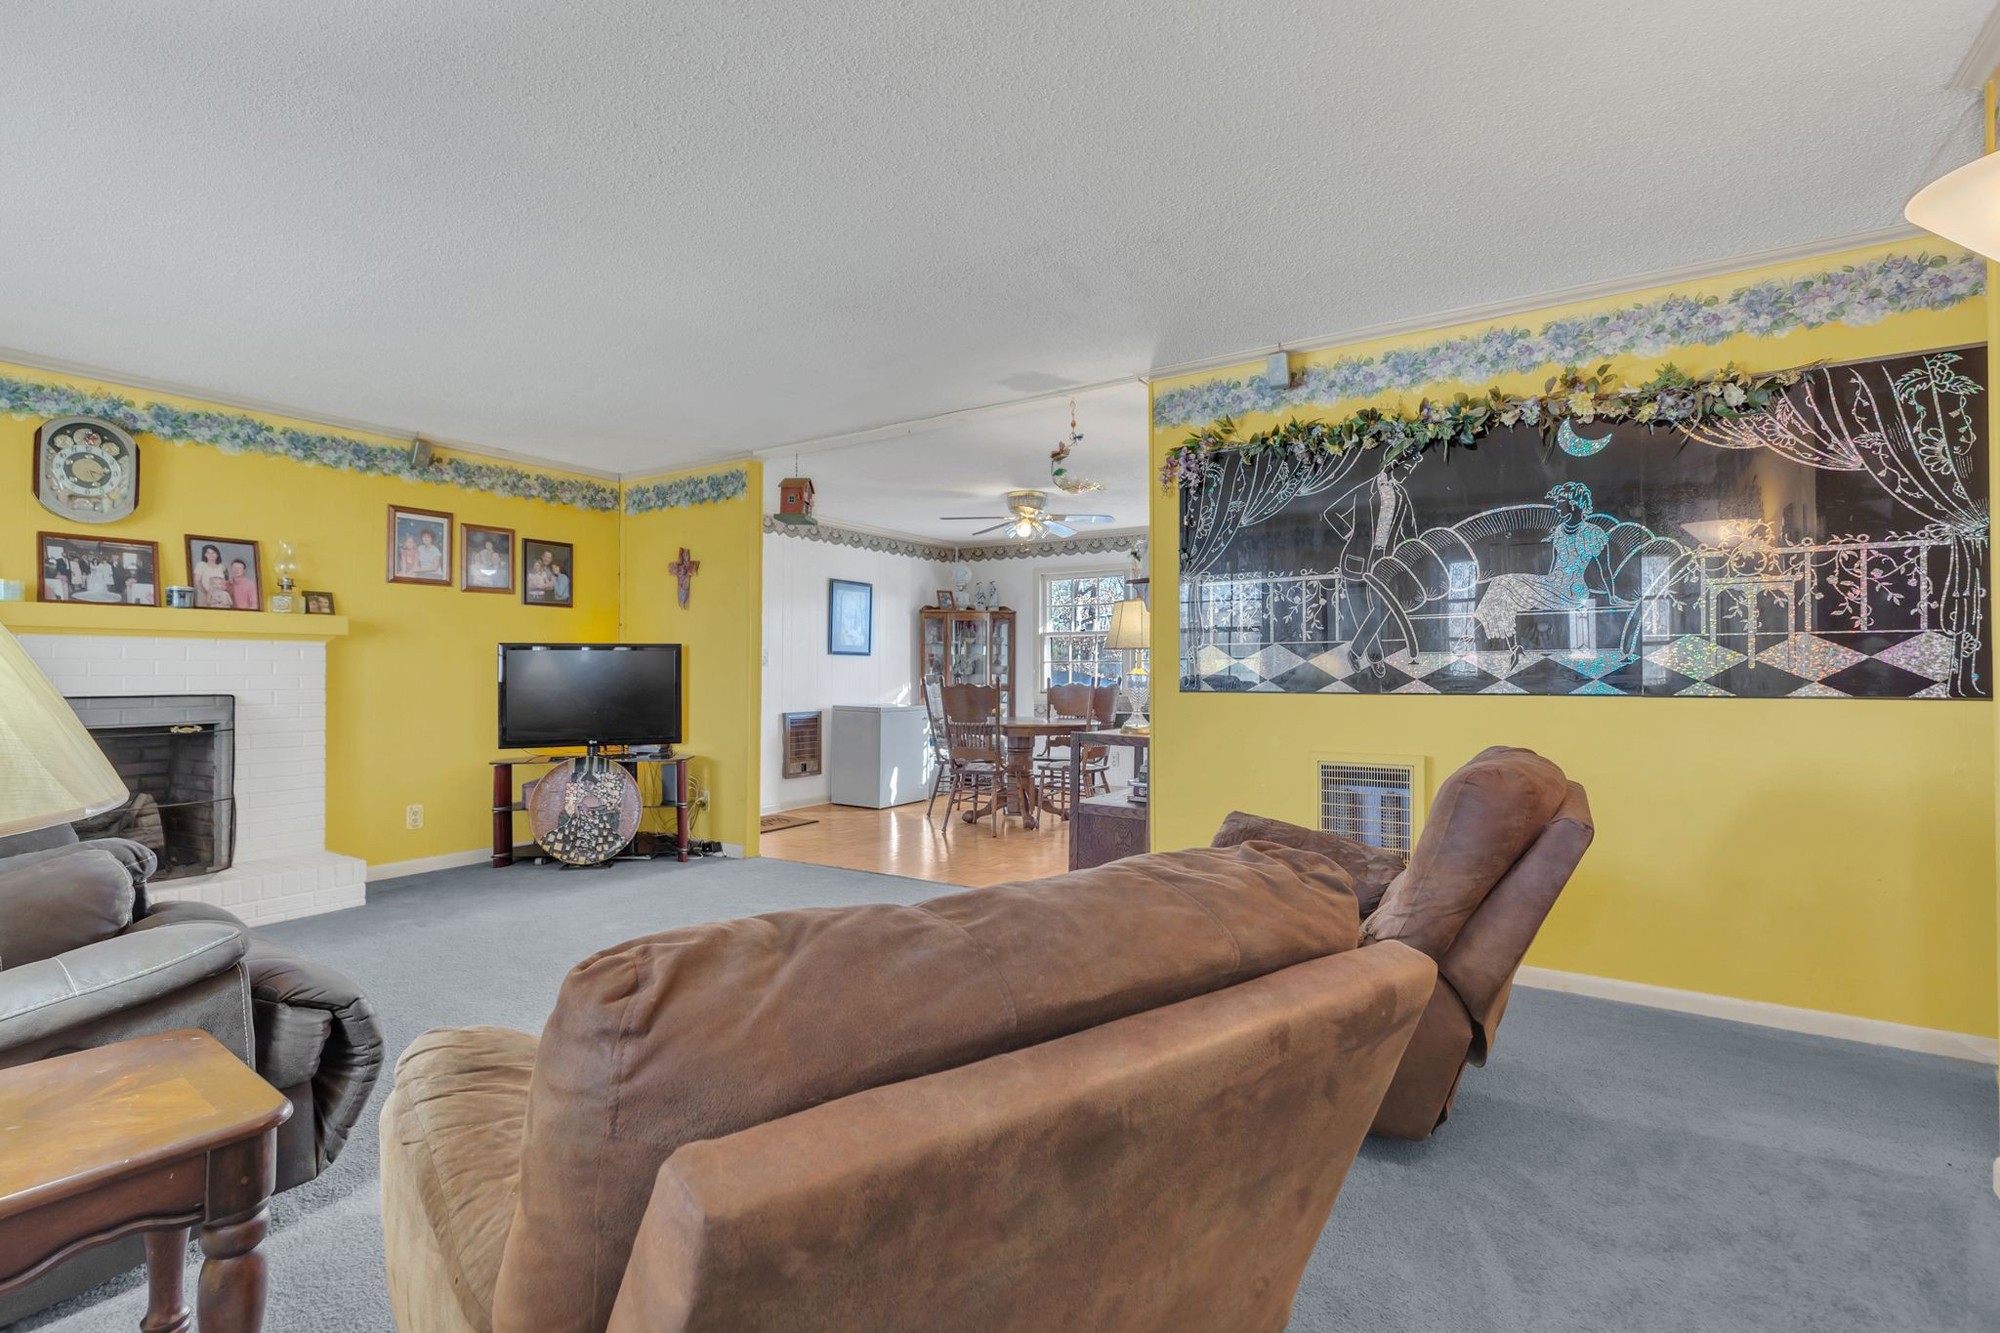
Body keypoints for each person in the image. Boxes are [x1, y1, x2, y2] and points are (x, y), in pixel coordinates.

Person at [1474, 481, 1614, 672]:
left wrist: (1612, 597)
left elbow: (1605, 570)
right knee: (1501, 583)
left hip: (1573, 591)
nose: (1556, 507)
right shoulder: (1559, 531)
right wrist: (1536, 587)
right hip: (1553, 584)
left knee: (1504, 585)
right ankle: (1513, 647)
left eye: (1560, 502)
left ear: (1573, 504)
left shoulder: (1593, 533)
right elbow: (1553, 569)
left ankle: (1511, 646)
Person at [1321, 450, 1421, 678]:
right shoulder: (1367, 489)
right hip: (1356, 560)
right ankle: (1375, 657)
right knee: (1361, 611)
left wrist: (1411, 552)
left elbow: (1409, 530)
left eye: (1411, 470)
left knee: (1382, 608)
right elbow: (1331, 513)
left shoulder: (1402, 495)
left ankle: (1356, 652)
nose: (1408, 473)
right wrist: (1350, 534)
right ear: (1393, 465)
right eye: (1406, 468)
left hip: (1385, 561)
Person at [193, 543, 231, 608]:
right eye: (208, 553)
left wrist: (222, 595)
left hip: (220, 598)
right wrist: (207, 594)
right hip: (204, 596)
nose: (211, 555)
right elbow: (197, 582)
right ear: (205, 554)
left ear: (217, 554)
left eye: (213, 553)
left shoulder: (222, 567)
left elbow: (225, 583)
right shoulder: (201, 565)